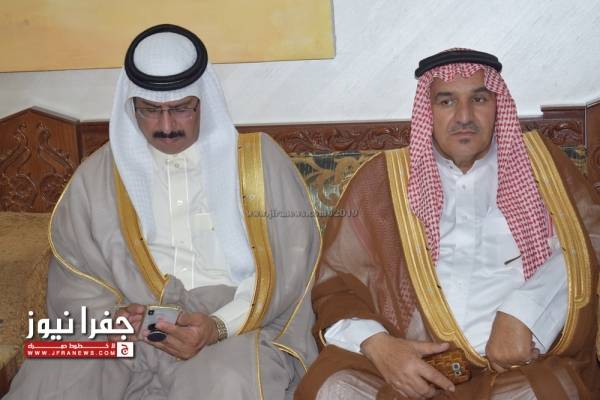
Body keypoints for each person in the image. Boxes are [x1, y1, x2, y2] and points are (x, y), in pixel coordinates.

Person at [6, 24, 320, 400]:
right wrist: (114, 319)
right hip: (129, 330)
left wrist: (218, 325)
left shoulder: (258, 164)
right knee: (51, 374)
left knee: (226, 382)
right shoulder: (98, 177)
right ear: (131, 105)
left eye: (181, 109)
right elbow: (77, 277)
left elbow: (287, 268)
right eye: (150, 110)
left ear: (203, 101)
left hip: (231, 327)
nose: (166, 126)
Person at [295, 49, 600, 399]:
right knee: (334, 389)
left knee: (540, 393)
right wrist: (379, 346)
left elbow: (589, 241)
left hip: (513, 368)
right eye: (446, 101)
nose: (464, 116)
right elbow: (337, 285)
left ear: (497, 105)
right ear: (428, 111)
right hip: (404, 363)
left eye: (479, 99)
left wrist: (525, 313)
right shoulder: (382, 180)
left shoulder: (541, 168)